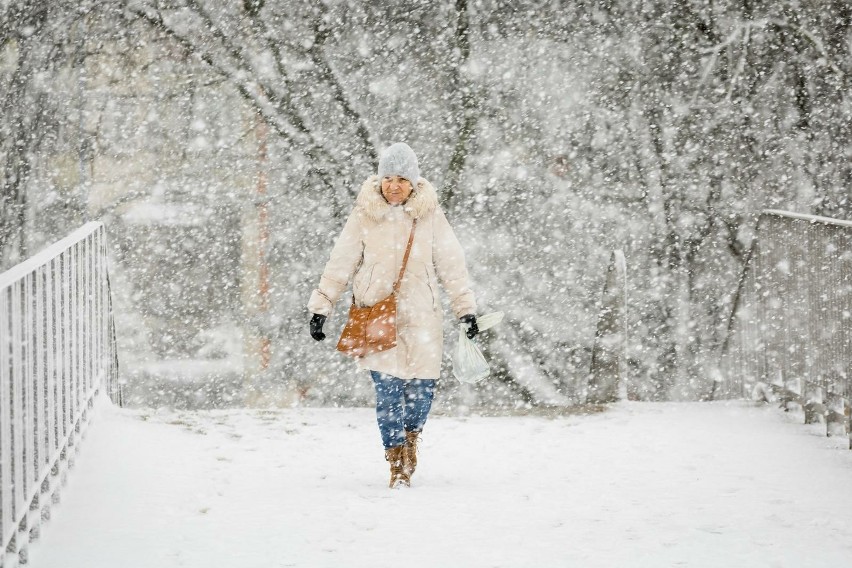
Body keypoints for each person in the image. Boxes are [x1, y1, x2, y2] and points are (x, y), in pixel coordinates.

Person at [307, 142, 479, 488]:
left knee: (421, 392)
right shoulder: (365, 215)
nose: (395, 185)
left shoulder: (430, 215)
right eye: (389, 178)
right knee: (387, 392)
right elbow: (341, 261)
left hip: (423, 319)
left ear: (413, 182)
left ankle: (411, 438)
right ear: (380, 180)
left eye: (402, 178)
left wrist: (466, 309)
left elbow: (451, 264)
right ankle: (396, 460)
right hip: (377, 316)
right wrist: (321, 306)